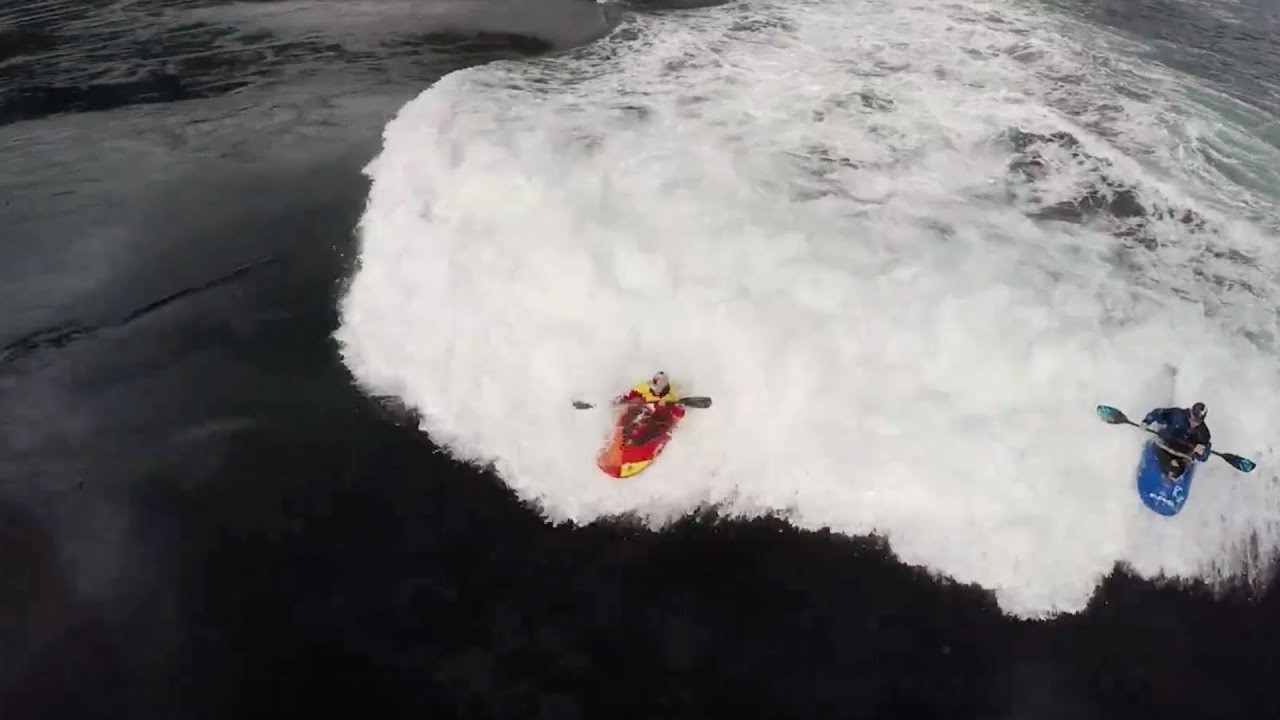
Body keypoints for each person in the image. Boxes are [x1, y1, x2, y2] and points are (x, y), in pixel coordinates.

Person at [1142, 402, 1211, 478]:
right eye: (1193, 419)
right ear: (1190, 412)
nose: (1194, 423)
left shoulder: (1203, 433)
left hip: (1181, 457)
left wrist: (1202, 453)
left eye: (1198, 422)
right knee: (1165, 461)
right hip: (1163, 446)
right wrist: (1147, 421)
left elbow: (1205, 455)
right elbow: (1159, 413)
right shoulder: (1177, 415)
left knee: (1176, 470)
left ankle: (1170, 473)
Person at [612, 372, 684, 445]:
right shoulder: (641, 389)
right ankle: (622, 438)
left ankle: (649, 442)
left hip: (659, 419)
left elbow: (680, 411)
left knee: (660, 417)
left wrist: (671, 406)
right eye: (654, 390)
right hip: (643, 413)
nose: (657, 393)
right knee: (633, 413)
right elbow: (629, 397)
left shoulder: (674, 393)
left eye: (661, 391)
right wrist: (618, 401)